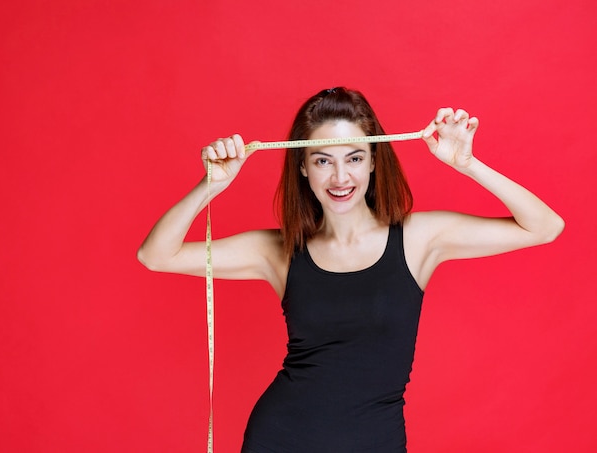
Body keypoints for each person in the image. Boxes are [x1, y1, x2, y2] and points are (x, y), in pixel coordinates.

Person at [137, 87, 564, 452]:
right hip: (282, 438)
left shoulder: (418, 238)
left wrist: (467, 164)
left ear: (375, 161)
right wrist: (210, 184)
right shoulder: (280, 251)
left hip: (375, 441)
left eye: (354, 158)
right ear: (303, 167)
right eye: (323, 161)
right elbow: (157, 256)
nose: (340, 176)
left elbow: (545, 227)